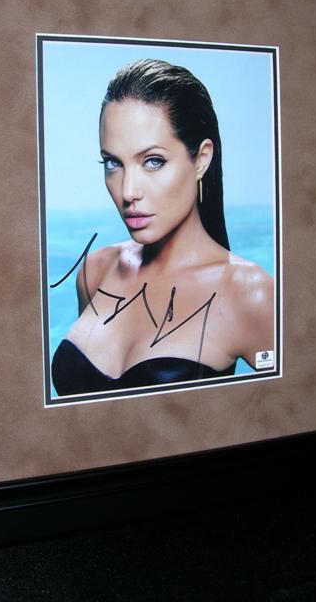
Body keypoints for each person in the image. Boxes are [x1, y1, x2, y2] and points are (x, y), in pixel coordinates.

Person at [51, 58, 274, 396]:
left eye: (153, 161)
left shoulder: (250, 294)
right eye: (113, 163)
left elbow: (303, 403)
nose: (128, 192)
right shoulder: (94, 271)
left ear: (201, 159)